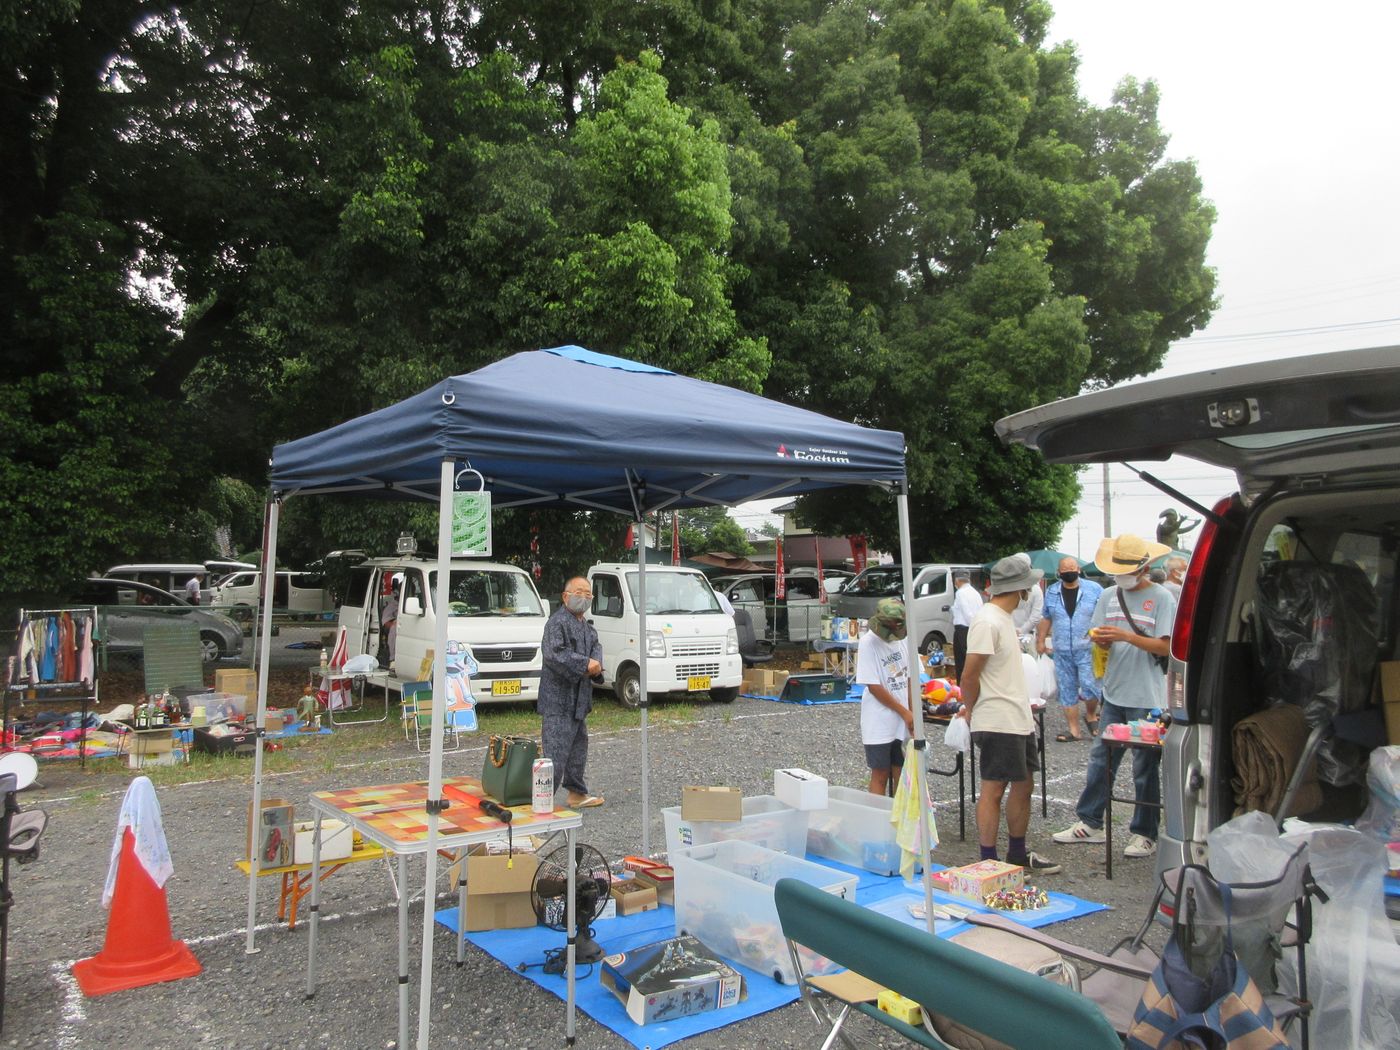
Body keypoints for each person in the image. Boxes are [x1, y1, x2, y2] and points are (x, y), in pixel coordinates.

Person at [1053, 534, 1176, 859]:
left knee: (1144, 767)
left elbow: (1167, 647)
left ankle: (1144, 833)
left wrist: (1125, 636)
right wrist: (1103, 640)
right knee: (1100, 760)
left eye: (1125, 569)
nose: (1119, 575)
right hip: (1114, 692)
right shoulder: (1108, 596)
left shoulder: (1162, 598)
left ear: (1145, 567)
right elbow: (1099, 637)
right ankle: (1090, 822)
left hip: (1148, 696)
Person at [959, 553, 1060, 874]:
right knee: (994, 787)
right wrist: (971, 709)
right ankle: (988, 859)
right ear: (1021, 590)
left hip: (1016, 716)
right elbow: (969, 674)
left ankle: (1017, 852)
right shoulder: (988, 620)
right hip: (997, 717)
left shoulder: (1002, 619)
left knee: (1024, 783)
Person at [539, 576, 605, 808]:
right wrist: (585, 664)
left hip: (579, 700)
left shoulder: (587, 627)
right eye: (579, 592)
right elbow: (553, 654)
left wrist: (595, 665)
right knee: (555, 755)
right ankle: (541, 800)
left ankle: (577, 793)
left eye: (588, 594)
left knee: (578, 749)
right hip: (558, 700)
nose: (584, 598)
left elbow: (597, 650)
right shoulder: (556, 623)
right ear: (565, 596)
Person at [1037, 557, 1104, 742]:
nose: (1068, 572)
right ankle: (1074, 730)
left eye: (1072, 568)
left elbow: (1104, 614)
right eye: (1064, 570)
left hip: (1088, 647)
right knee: (1066, 689)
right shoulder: (1052, 592)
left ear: (1079, 569)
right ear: (1059, 572)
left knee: (1091, 685)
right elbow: (1046, 617)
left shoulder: (1094, 590)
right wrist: (1040, 640)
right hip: (1062, 649)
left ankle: (1091, 714)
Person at [854, 598, 914, 796]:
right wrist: (905, 712)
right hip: (878, 719)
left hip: (902, 718)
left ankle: (900, 820)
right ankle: (877, 820)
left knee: (902, 770)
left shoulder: (905, 639)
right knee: (880, 773)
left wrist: (913, 713)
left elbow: (912, 677)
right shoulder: (868, 642)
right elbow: (873, 686)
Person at [951, 571, 982, 682]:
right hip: (976, 628)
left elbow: (966, 612)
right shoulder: (975, 593)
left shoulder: (960, 593)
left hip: (963, 629)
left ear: (957, 581)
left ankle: (962, 687)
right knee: (971, 659)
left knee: (962, 662)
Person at [1009, 575, 1043, 650]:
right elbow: (1036, 617)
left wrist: (1019, 631)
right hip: (1022, 635)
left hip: (1015, 634)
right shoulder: (1036, 589)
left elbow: (1036, 617)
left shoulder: (1036, 589)